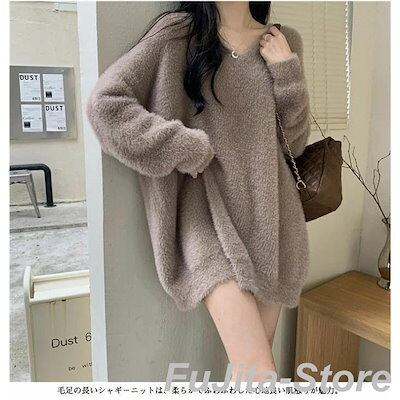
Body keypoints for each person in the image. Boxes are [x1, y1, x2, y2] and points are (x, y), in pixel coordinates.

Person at [86, 1, 311, 382]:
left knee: (248, 371)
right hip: (207, 220)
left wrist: (286, 70)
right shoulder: (178, 35)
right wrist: (182, 146)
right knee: (259, 372)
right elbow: (105, 105)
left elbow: (295, 141)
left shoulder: (282, 41)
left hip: (271, 223)